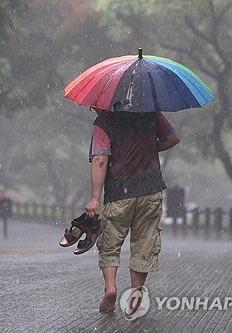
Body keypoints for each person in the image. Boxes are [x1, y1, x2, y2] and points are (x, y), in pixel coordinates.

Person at [85, 107, 180, 312]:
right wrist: (149, 148)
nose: (93, 109)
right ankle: (136, 295)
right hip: (150, 191)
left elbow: (101, 160)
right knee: (144, 243)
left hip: (119, 193)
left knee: (110, 243)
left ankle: (110, 288)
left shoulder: (103, 123)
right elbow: (173, 138)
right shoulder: (150, 113)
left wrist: (94, 198)